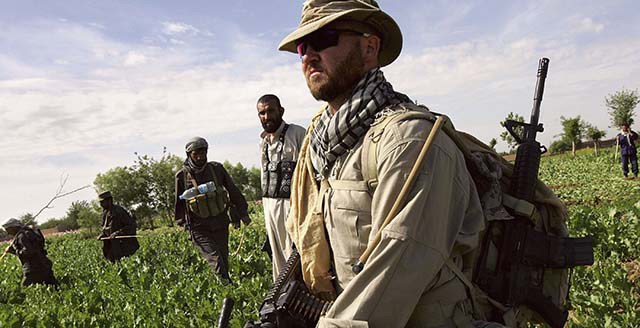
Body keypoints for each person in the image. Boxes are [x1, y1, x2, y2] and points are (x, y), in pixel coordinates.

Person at [278, 1, 487, 326]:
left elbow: (394, 270)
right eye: (303, 47)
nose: (307, 56)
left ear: (369, 48)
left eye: (323, 39)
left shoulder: (408, 140)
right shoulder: (323, 142)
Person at [175, 137, 251, 285]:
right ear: (189, 155)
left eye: (203, 153)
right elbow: (179, 203)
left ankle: (226, 290)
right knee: (215, 259)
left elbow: (233, 191)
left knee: (223, 258)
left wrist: (243, 213)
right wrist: (183, 223)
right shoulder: (182, 176)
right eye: (196, 154)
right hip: (198, 228)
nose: (200, 157)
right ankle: (227, 289)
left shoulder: (216, 169)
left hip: (220, 222)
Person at [257, 94, 306, 281]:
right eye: (262, 113)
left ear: (281, 111)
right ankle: (283, 298)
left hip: (293, 207)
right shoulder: (262, 142)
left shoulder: (297, 134)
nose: (266, 117)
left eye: (270, 111)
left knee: (297, 255)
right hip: (270, 209)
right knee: (279, 260)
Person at [2, 218, 58, 286]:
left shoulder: (22, 236)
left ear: (13, 227)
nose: (8, 233)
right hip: (45, 265)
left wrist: (13, 251)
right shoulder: (29, 232)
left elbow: (29, 252)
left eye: (8, 230)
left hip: (33, 269)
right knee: (55, 287)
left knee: (24, 290)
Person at [98, 191, 140, 262]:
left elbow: (131, 226)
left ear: (109, 201)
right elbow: (106, 229)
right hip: (112, 249)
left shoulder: (119, 211)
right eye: (100, 203)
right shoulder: (105, 213)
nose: (101, 204)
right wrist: (102, 235)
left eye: (102, 202)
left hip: (124, 248)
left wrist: (117, 233)